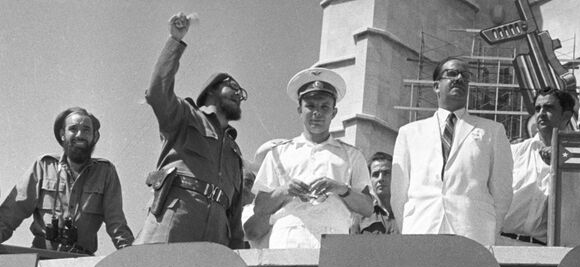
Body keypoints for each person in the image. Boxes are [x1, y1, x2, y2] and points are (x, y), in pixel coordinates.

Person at [135, 12, 246, 248]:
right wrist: (175, 41)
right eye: (233, 87)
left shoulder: (235, 154)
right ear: (212, 91)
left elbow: (235, 216)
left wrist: (237, 255)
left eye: (241, 92)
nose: (238, 94)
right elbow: (157, 92)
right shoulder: (185, 116)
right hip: (175, 221)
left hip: (216, 236)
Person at [391, 57, 513, 245]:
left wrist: (488, 231)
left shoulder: (493, 131)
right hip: (421, 228)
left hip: (472, 231)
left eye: (465, 75)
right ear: (436, 86)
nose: (459, 78)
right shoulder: (409, 133)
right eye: (451, 74)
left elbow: (502, 193)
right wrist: (409, 227)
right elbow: (399, 194)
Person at [252, 67, 373, 248]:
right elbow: (259, 207)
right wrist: (285, 190)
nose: (317, 113)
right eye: (310, 106)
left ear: (334, 113)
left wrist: (341, 189)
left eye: (325, 107)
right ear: (299, 109)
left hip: (332, 238)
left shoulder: (352, 155)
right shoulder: (278, 154)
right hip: (287, 238)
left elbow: (367, 208)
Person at [0, 107, 133, 254]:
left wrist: (131, 257)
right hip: (40, 262)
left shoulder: (106, 172)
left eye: (86, 130)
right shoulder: (43, 166)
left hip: (81, 263)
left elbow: (117, 225)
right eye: (73, 129)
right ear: (63, 134)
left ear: (95, 136)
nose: (80, 134)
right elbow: (10, 214)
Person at [501, 87, 575, 245]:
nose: (541, 113)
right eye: (537, 108)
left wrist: (557, 164)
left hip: (546, 250)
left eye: (548, 108)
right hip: (504, 242)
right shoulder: (514, 152)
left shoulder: (576, 162)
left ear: (566, 115)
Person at [353, 152, 397, 234]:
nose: (380, 178)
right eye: (376, 174)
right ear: (370, 180)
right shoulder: (361, 217)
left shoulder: (408, 212)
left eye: (386, 173)